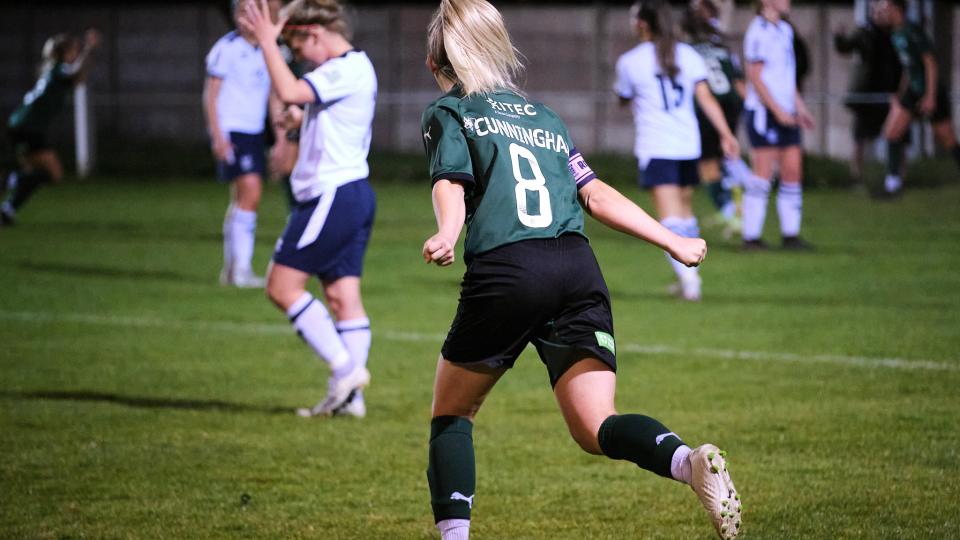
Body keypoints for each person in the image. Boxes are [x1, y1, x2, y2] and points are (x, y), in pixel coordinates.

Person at [420, 1, 741, 539]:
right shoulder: (544, 117)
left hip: (509, 269)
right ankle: (688, 462)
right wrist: (673, 241)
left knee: (452, 414)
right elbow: (594, 194)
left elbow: (451, 180)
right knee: (596, 426)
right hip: (576, 269)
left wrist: (447, 233)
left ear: (437, 62)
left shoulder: (449, 111)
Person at [240, 0, 377, 418]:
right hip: (350, 193)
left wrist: (267, 42)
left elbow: (290, 90)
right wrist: (302, 121)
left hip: (331, 195)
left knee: (281, 288)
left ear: (314, 34)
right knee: (342, 298)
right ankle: (350, 402)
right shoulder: (351, 70)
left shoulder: (345, 68)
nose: (299, 57)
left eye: (298, 48)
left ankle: (346, 371)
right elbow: (326, 116)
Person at [615, 0, 740, 301]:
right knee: (684, 213)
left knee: (669, 220)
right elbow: (706, 99)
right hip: (688, 145)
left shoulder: (631, 61)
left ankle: (691, 281)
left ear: (642, 24)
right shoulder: (688, 55)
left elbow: (623, 97)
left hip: (657, 146)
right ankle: (687, 278)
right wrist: (726, 134)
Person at [203, 0, 279, 287]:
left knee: (241, 199)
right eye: (244, 11)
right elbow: (211, 96)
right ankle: (242, 270)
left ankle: (231, 270)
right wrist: (218, 136)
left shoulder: (267, 48)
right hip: (233, 131)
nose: (249, 17)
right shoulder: (227, 48)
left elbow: (273, 96)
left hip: (254, 132)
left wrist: (279, 137)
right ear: (236, 16)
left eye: (253, 10)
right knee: (252, 193)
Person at [1, 29, 100, 226]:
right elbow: (76, 72)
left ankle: (7, 211)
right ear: (64, 53)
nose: (77, 54)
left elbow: (79, 77)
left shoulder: (55, 72)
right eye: (74, 50)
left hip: (23, 126)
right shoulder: (59, 70)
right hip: (28, 128)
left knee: (33, 175)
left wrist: (87, 53)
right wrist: (89, 48)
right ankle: (8, 181)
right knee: (53, 174)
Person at [741, 0, 815, 250]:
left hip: (787, 112)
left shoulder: (785, 29)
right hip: (764, 113)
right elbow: (755, 77)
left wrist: (799, 107)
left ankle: (790, 235)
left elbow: (786, 76)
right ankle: (751, 237)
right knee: (763, 173)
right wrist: (777, 111)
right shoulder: (757, 31)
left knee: (793, 171)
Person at [876, 0, 960, 198]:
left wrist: (930, 96)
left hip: (930, 91)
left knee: (947, 139)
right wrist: (900, 93)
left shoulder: (913, 31)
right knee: (891, 132)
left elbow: (930, 63)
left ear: (896, 9)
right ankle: (892, 185)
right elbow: (909, 67)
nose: (882, 12)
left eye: (885, 8)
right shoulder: (896, 34)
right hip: (912, 92)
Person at [683, 0, 747, 239]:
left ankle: (731, 211)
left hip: (706, 109)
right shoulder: (723, 48)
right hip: (731, 106)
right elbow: (738, 84)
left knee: (708, 164)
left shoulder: (686, 50)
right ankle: (736, 204)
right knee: (727, 156)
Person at [833, 0, 902, 183]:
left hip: (890, 92)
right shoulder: (865, 33)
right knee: (860, 136)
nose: (881, 15)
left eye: (884, 11)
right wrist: (838, 36)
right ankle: (857, 175)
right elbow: (844, 47)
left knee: (897, 132)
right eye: (878, 11)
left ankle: (896, 175)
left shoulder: (896, 33)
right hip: (866, 93)